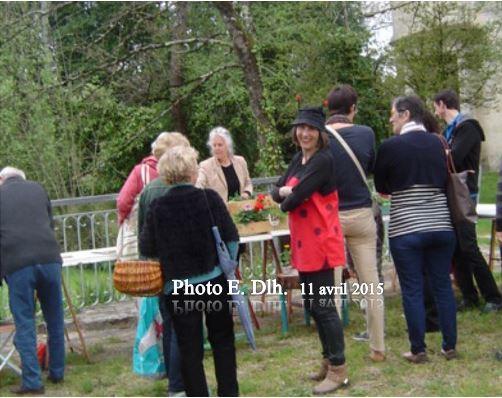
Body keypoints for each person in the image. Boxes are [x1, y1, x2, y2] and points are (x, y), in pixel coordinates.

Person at [139, 145, 239, 397]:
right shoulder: (209, 198)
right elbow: (231, 238)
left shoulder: (158, 208)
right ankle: (229, 392)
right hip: (214, 280)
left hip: (180, 288)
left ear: (165, 174)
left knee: (189, 348)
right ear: (193, 171)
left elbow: (147, 247)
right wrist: (229, 265)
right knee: (223, 340)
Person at [374, 96, 458, 363]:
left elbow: (382, 188)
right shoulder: (439, 142)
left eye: (393, 114)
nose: (390, 119)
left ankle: (418, 349)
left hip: (406, 227)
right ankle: (449, 346)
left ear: (406, 114)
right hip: (441, 225)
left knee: (412, 288)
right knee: (443, 285)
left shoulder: (389, 147)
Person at [272, 107, 349, 394]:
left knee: (325, 308)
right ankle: (328, 361)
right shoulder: (298, 159)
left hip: (321, 243)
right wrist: (285, 193)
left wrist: (286, 195)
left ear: (320, 133)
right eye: (300, 128)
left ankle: (339, 369)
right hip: (303, 244)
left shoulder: (323, 161)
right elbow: (276, 189)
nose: (304, 133)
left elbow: (290, 201)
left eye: (311, 129)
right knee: (314, 306)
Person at [325, 84, 385, 362]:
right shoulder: (366, 133)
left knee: (334, 289)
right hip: (362, 214)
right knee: (370, 283)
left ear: (328, 108)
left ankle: (336, 352)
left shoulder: (320, 137)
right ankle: (378, 348)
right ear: (353, 108)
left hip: (332, 216)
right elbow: (371, 166)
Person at [433, 89, 502, 312]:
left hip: (464, 194)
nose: (435, 110)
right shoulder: (450, 130)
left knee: (469, 246)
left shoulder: (468, 127)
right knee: (456, 248)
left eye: (436, 106)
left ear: (443, 104)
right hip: (451, 192)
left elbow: (454, 156)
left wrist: (440, 152)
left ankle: (493, 297)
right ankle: (469, 295)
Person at [0, 167, 64, 395]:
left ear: (2, 179)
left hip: (18, 263)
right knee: (55, 318)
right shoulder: (38, 188)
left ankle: (32, 381)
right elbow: (49, 222)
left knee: (25, 321)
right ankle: (57, 371)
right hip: (49, 257)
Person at [136, 132, 190, 392]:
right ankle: (179, 385)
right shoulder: (181, 188)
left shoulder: (148, 190)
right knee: (183, 327)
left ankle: (173, 376)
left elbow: (142, 235)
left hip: (158, 267)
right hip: (183, 265)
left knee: (169, 322)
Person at [196, 126, 253, 203]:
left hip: (240, 210)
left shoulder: (241, 161)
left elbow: (248, 182)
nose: (217, 148)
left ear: (227, 146)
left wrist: (246, 193)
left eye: (220, 145)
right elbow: (198, 186)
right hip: (218, 212)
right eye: (214, 145)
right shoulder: (205, 166)